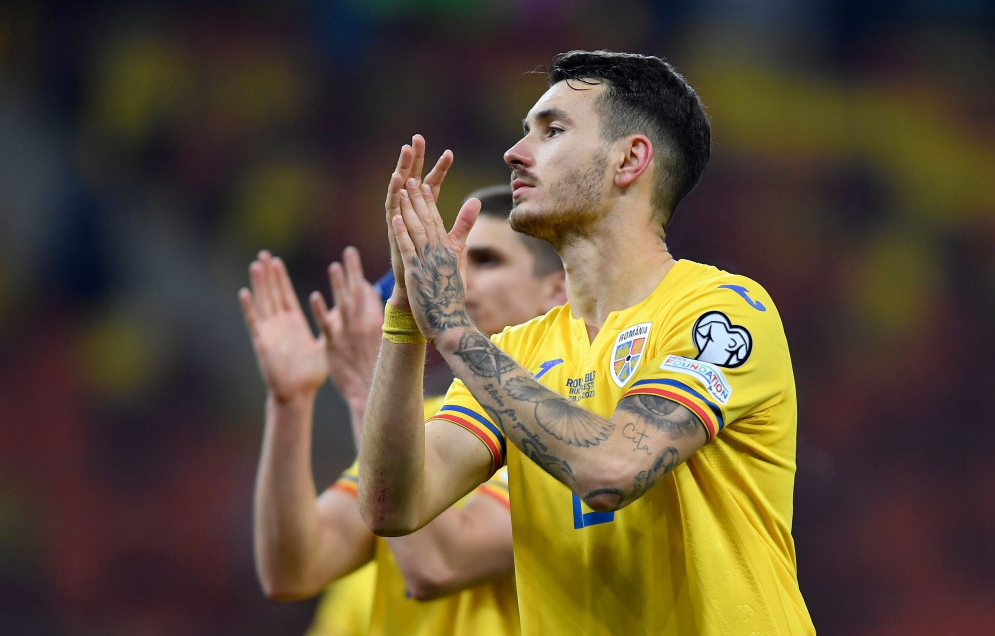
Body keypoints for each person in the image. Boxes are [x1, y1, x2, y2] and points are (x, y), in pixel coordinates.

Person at [358, 50, 814, 635]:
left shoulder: (722, 311)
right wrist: (406, 317)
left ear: (630, 160)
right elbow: (394, 506)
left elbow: (611, 470)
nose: (515, 153)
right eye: (525, 132)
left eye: (552, 130)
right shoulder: (521, 349)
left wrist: (451, 326)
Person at [240, 155, 566, 634]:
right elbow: (293, 570)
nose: (457, 275)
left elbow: (439, 563)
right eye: (456, 256)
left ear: (556, 289)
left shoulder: (571, 415)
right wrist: (290, 402)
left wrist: (363, 393)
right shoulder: (426, 417)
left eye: (487, 260)